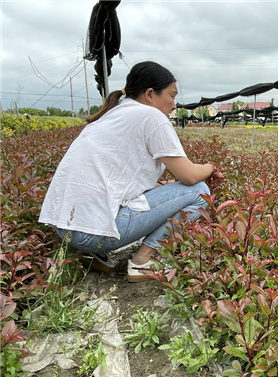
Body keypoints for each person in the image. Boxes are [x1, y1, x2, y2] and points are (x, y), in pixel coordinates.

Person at [39, 61, 222, 282]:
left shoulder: (112, 116)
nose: (174, 105)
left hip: (66, 229)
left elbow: (120, 178)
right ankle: (142, 262)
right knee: (200, 191)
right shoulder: (151, 116)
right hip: (92, 232)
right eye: (171, 96)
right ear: (150, 94)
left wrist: (163, 189)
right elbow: (190, 176)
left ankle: (98, 256)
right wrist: (210, 168)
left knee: (167, 191)